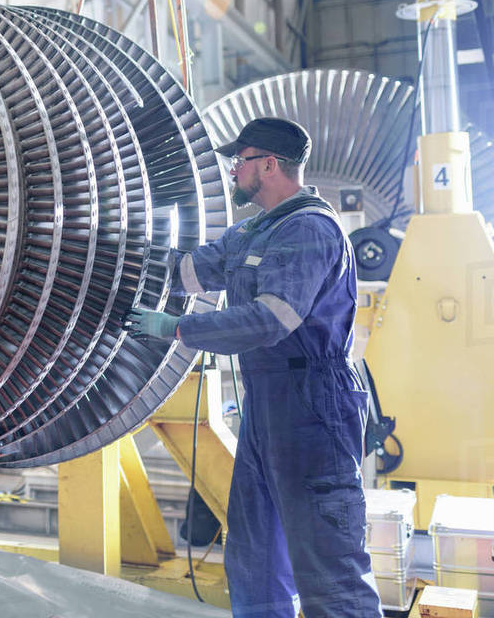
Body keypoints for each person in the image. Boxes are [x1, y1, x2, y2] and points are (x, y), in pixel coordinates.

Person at [125, 117, 382, 618]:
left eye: (239, 161)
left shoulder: (309, 229)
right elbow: (187, 273)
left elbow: (271, 319)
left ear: (268, 164)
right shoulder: (253, 232)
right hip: (267, 405)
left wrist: (176, 329)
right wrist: (111, 249)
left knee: (327, 564)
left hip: (313, 406)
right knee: (255, 556)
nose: (232, 172)